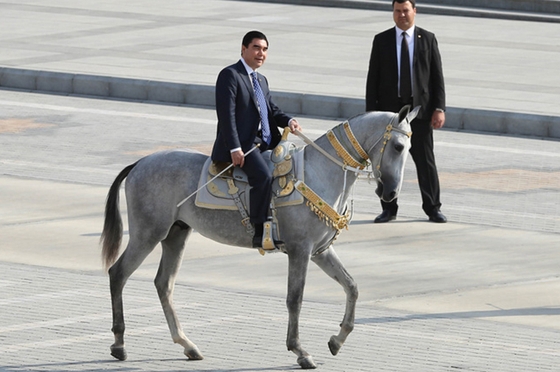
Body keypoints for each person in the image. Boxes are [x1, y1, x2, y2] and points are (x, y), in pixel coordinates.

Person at [211, 30, 302, 248]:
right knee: (262, 176)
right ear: (243, 49)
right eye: (256, 48)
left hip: (266, 141)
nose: (261, 53)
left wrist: (288, 121)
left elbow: (271, 110)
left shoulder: (261, 79)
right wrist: (235, 148)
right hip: (243, 145)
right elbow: (226, 116)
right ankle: (260, 231)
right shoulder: (230, 75)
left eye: (265, 49)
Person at [365, 0, 447, 223]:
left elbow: (437, 78)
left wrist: (439, 108)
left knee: (425, 162)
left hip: (419, 113)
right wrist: (371, 114)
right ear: (393, 12)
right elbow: (373, 79)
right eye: (397, 11)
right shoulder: (381, 40)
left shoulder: (427, 39)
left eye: (406, 11)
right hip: (390, 115)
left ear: (414, 12)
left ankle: (433, 208)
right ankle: (388, 209)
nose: (402, 15)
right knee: (386, 163)